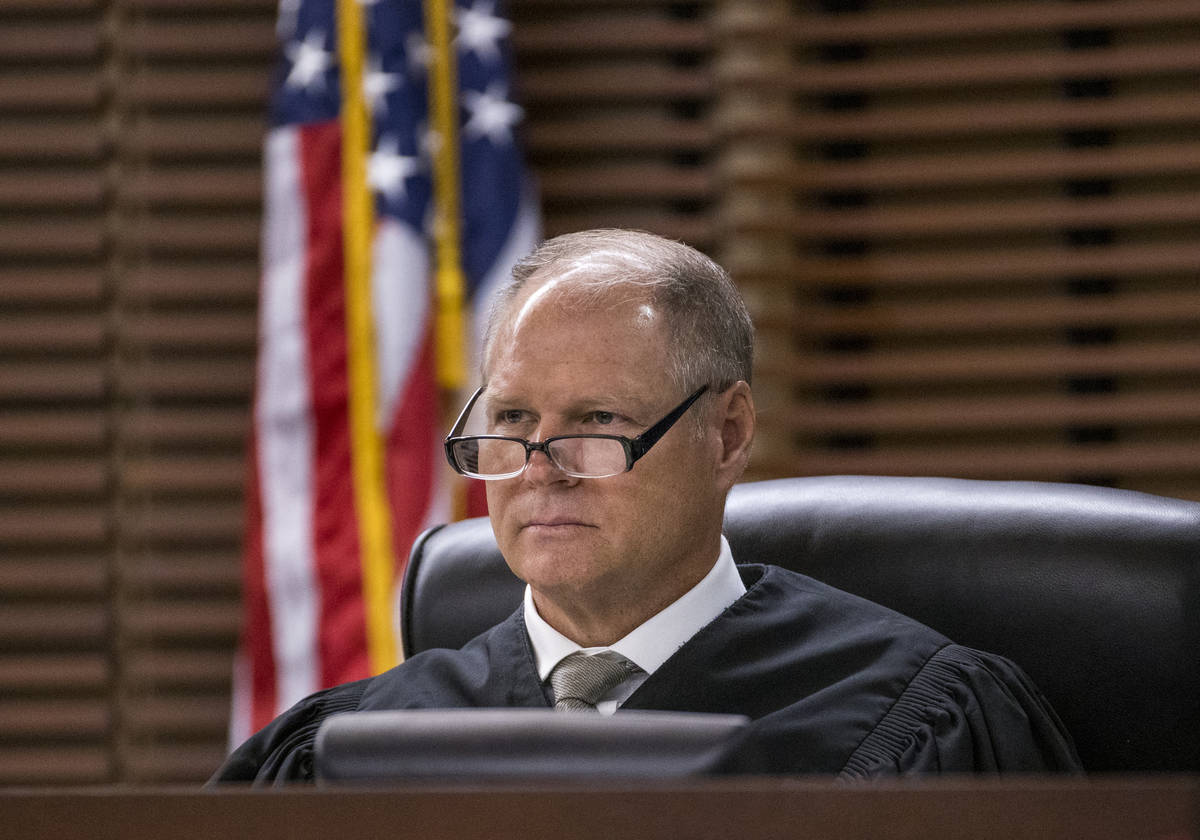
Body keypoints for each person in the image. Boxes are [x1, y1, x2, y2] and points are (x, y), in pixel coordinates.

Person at [213, 229, 1081, 783]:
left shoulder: (923, 724)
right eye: (512, 420)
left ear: (729, 433)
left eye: (598, 421)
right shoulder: (353, 747)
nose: (540, 469)